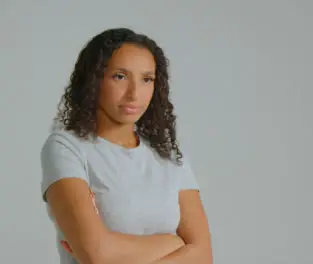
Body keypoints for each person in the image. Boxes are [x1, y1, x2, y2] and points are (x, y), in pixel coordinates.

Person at [40, 28, 213, 264]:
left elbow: (203, 256)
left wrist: (115, 250)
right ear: (93, 79)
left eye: (146, 79)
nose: (134, 94)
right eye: (119, 76)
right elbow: (97, 254)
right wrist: (175, 243)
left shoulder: (168, 155)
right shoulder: (65, 148)